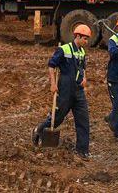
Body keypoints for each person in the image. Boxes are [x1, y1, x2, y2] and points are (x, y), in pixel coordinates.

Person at [33, 22, 92, 158]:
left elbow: (83, 67)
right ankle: (39, 130)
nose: (86, 41)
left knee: (83, 121)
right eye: (85, 38)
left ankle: (83, 151)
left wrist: (84, 78)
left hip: (78, 91)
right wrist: (53, 84)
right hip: (65, 88)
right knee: (57, 117)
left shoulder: (82, 52)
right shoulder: (64, 50)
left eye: (87, 38)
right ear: (77, 36)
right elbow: (51, 66)